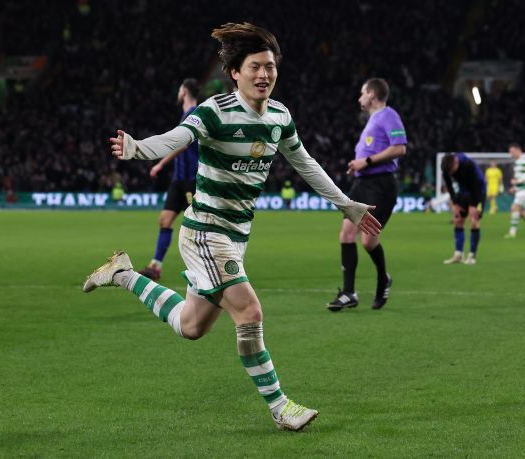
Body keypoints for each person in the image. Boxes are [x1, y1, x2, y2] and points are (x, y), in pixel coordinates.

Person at [83, 22, 381, 432]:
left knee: (191, 326)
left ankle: (123, 274)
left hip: (236, 236)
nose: (264, 74)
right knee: (249, 311)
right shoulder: (215, 111)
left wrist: (346, 204)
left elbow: (305, 164)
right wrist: (137, 148)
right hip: (205, 232)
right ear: (235, 72)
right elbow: (177, 138)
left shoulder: (279, 116)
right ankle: (281, 408)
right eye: (255, 66)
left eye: (270, 67)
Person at [326, 78, 406, 312]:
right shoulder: (373, 119)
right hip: (363, 183)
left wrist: (366, 161)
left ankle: (383, 279)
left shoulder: (388, 115)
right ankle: (349, 293)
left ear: (372, 94)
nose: (359, 97)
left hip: (381, 185)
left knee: (369, 241)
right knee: (346, 234)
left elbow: (400, 148)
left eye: (362, 93)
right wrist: (358, 165)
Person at [138, 79, 200, 280]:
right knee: (165, 220)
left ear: (184, 91)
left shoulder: (193, 113)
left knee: (198, 225)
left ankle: (207, 268)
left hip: (191, 179)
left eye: (180, 89)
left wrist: (160, 164)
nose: (178, 92)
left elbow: (182, 145)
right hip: (178, 180)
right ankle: (155, 267)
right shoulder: (185, 115)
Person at [440, 152, 486, 264]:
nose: (451, 174)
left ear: (456, 163)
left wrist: (476, 205)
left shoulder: (468, 165)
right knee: (458, 220)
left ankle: (472, 256)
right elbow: (449, 186)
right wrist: (455, 203)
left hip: (478, 192)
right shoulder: (446, 168)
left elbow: (477, 187)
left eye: (452, 171)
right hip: (463, 192)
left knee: (474, 220)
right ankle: (458, 255)